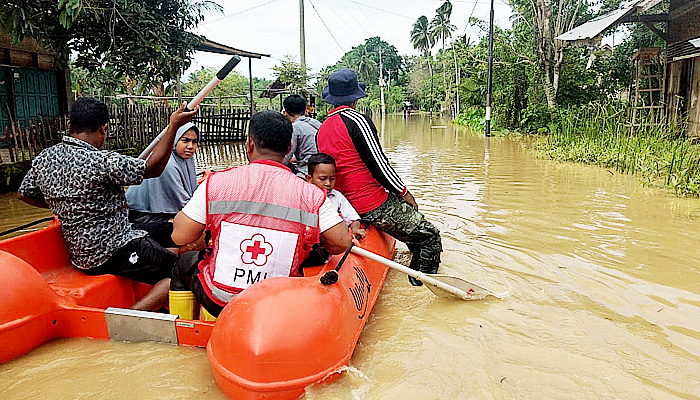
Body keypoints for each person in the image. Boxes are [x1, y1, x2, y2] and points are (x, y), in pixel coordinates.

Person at [17, 97, 197, 310]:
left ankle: (156, 279)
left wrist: (66, 204)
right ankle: (131, 315)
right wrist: (173, 126)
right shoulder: (102, 161)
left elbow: (24, 193)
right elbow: (152, 169)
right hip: (112, 250)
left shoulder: (44, 158)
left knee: (171, 230)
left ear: (69, 125)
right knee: (183, 271)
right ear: (103, 129)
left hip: (90, 248)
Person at [170, 110, 351, 317]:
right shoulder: (310, 194)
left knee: (182, 263)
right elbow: (341, 243)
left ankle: (187, 334)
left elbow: (180, 236)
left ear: (249, 144)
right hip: (277, 304)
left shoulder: (216, 183)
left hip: (221, 302)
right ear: (289, 149)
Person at [316, 68, 443, 286]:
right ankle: (421, 284)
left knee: (416, 232)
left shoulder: (322, 128)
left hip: (343, 203)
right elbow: (380, 165)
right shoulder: (357, 120)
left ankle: (414, 266)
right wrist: (404, 193)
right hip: (370, 203)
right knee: (430, 236)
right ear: (355, 97)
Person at [126, 122, 199, 224]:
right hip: (144, 216)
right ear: (174, 140)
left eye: (194, 141)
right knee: (191, 226)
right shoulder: (167, 165)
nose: (190, 146)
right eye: (185, 141)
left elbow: (194, 192)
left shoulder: (186, 159)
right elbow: (185, 205)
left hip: (162, 211)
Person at [306, 153, 366, 240]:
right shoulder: (304, 196)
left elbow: (353, 218)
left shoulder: (336, 196)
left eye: (332, 179)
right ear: (309, 179)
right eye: (322, 179)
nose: (328, 183)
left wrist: (355, 229)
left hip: (330, 239)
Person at [282, 94, 321, 178]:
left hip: (306, 172)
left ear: (285, 113)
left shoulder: (294, 128)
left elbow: (286, 157)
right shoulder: (317, 124)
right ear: (305, 110)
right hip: (323, 169)